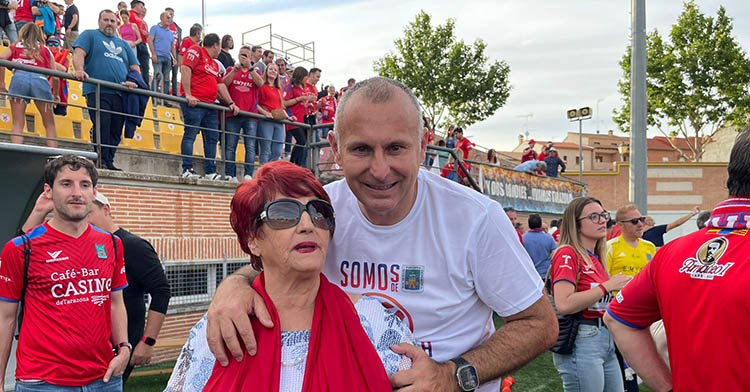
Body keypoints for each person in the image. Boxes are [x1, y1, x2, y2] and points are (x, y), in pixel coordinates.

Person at [203, 77, 557, 392]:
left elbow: (539, 324)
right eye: (361, 149)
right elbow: (278, 257)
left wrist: (452, 375)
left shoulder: (476, 218)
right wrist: (233, 286)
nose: (379, 169)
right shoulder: (323, 210)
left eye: (395, 148)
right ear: (335, 148)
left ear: (423, 146)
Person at [164, 161, 414, 391]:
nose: (308, 224)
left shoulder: (375, 322)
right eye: (284, 213)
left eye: (319, 212)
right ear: (253, 240)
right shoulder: (223, 325)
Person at [604, 127, 750, 391]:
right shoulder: (625, 247)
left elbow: (617, 318)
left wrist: (667, 387)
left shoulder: (670, 251)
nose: (639, 224)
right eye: (634, 220)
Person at [0, 155, 130, 391]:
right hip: (43, 382)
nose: (77, 193)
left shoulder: (112, 244)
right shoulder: (21, 248)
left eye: (85, 184)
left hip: (104, 379)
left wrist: (124, 349)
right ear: (49, 191)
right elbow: (5, 318)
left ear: (94, 191)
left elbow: (115, 302)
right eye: (66, 184)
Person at [21, 190, 172, 383]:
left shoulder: (133, 246)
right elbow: (23, 250)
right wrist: (39, 211)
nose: (83, 218)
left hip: (115, 347)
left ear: (106, 210)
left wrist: (147, 341)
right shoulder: (78, 245)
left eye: (89, 212)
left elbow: (161, 291)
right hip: (78, 349)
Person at [549, 196, 632, 392]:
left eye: (603, 215)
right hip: (583, 339)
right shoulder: (567, 253)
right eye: (594, 217)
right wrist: (607, 286)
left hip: (605, 338)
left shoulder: (595, 257)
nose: (603, 220)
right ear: (575, 224)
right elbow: (564, 304)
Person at [73, 9, 140, 171]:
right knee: (103, 124)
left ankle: (109, 161)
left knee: (116, 129)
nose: (109, 23)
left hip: (120, 93)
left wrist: (133, 80)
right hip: (97, 90)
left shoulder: (123, 44)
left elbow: (135, 67)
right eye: (106, 20)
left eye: (112, 21)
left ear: (117, 24)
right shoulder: (89, 35)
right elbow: (79, 52)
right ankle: (100, 159)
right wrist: (79, 69)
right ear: (99, 21)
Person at [178, 33, 238, 179]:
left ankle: (210, 171)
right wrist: (188, 94)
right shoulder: (196, 50)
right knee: (190, 134)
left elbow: (220, 84)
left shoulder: (212, 62)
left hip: (210, 105)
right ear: (216, 45)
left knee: (212, 137)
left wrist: (230, 102)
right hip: (195, 102)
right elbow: (185, 68)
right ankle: (187, 169)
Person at [0, 23, 58, 148]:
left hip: (19, 78)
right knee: (49, 124)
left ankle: (16, 151)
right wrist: (56, 95)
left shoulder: (15, 45)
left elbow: (1, 59)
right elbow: (56, 76)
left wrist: (1, 84)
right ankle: (54, 155)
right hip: (40, 79)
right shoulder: (46, 49)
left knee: (17, 123)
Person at [222, 45, 263, 182]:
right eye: (241, 54)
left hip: (250, 115)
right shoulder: (231, 69)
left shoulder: (255, 71)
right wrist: (234, 71)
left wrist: (250, 69)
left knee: (250, 146)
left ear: (251, 57)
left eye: (246, 55)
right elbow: (223, 84)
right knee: (230, 146)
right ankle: (230, 174)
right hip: (233, 114)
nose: (243, 57)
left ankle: (248, 175)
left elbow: (261, 84)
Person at [256, 62, 293, 165]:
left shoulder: (279, 89)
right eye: (271, 69)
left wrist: (288, 117)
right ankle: (263, 172)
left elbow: (281, 105)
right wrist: (264, 113)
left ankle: (270, 172)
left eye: (275, 70)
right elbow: (255, 103)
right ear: (266, 71)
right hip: (266, 120)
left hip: (278, 120)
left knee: (277, 150)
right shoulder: (261, 86)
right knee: (265, 148)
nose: (273, 71)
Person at [606, 204, 656, 279]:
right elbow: (604, 279)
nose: (640, 224)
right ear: (620, 225)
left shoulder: (650, 246)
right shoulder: (610, 246)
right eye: (634, 221)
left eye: (641, 220)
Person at [282, 66, 317, 168]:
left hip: (304, 119)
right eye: (305, 76)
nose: (306, 79)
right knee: (301, 141)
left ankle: (297, 165)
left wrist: (309, 102)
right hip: (293, 118)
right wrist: (300, 99)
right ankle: (292, 164)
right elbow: (284, 103)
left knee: (303, 143)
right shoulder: (290, 87)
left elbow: (302, 103)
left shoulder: (303, 87)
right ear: (300, 76)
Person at [147, 11, 175, 96]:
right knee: (157, 76)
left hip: (167, 58)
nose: (169, 19)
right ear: (161, 18)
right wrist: (153, 54)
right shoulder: (155, 28)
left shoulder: (170, 33)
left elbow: (172, 46)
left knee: (166, 79)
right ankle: (153, 97)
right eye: (167, 17)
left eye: (170, 18)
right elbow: (149, 40)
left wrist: (174, 58)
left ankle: (165, 98)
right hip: (158, 56)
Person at [523, 214, 557, 278]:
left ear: (529, 224)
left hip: (529, 275)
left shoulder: (523, 239)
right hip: (545, 274)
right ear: (540, 224)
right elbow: (554, 255)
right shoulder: (549, 238)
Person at [128, 0, 149, 87]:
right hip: (133, 43)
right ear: (135, 5)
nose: (143, 8)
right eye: (141, 6)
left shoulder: (143, 21)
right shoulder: (129, 13)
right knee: (134, 64)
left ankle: (144, 85)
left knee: (145, 66)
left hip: (143, 44)